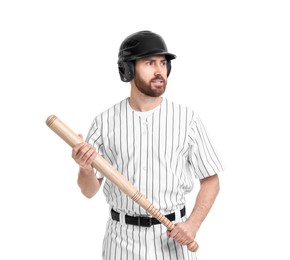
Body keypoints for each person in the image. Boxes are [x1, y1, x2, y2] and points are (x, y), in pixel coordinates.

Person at [72, 30, 223, 260]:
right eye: (149, 63)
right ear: (128, 70)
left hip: (174, 238)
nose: (159, 71)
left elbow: (211, 181)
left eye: (163, 63)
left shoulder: (187, 119)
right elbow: (89, 190)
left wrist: (192, 225)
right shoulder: (104, 122)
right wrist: (84, 168)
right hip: (121, 241)